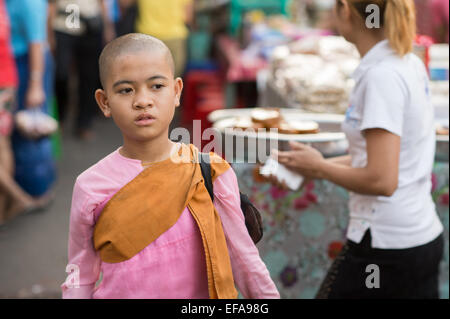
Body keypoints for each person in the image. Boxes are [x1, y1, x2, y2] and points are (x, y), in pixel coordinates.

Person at [61, 33, 279, 299]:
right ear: (104, 102)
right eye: (126, 90)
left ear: (176, 91)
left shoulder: (209, 172)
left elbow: (244, 259)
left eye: (156, 86)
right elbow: (79, 275)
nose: (142, 100)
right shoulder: (91, 185)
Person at [273, 0, 444, 298]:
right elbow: (381, 158)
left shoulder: (382, 76)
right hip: (415, 239)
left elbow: (382, 179)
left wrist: (320, 167)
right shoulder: (405, 62)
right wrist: (308, 164)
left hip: (386, 248)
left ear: (346, 10)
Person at [6, 0, 57, 198]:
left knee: (31, 130)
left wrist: (35, 86)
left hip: (30, 65)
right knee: (19, 129)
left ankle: (37, 190)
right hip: (16, 63)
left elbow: (37, 43)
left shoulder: (29, 2)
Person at [48, 0, 115, 140]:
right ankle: (59, 116)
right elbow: (51, 4)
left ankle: (84, 123)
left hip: (90, 27)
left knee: (88, 76)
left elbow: (102, 3)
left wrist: (108, 27)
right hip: (63, 27)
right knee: (61, 74)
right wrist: (49, 34)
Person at [135, 0, 194, 78]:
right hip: (174, 36)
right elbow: (188, 17)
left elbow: (124, 3)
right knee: (172, 77)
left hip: (147, 36)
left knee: (148, 77)